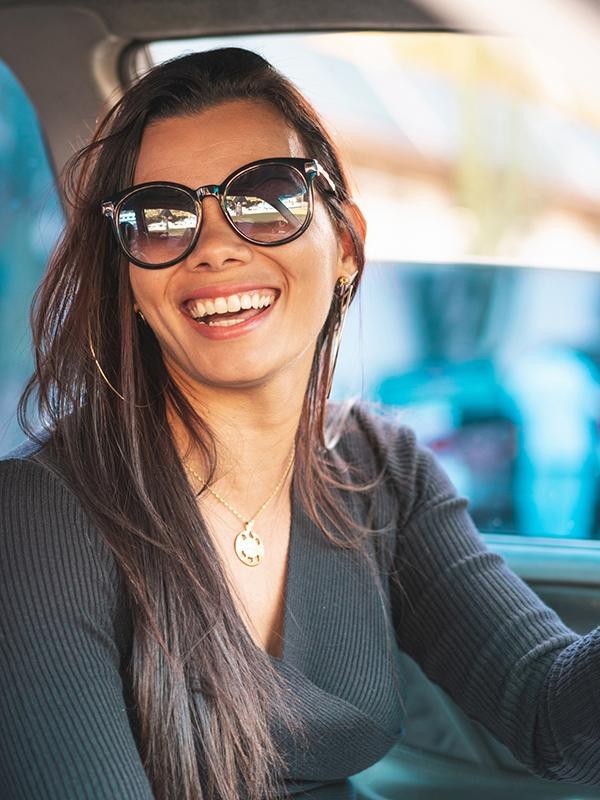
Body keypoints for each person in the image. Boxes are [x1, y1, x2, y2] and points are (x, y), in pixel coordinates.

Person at [0, 47, 599, 800]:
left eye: (267, 197)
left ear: (344, 243)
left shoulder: (379, 468)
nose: (215, 245)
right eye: (161, 217)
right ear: (130, 279)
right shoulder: (38, 513)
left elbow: (557, 721)